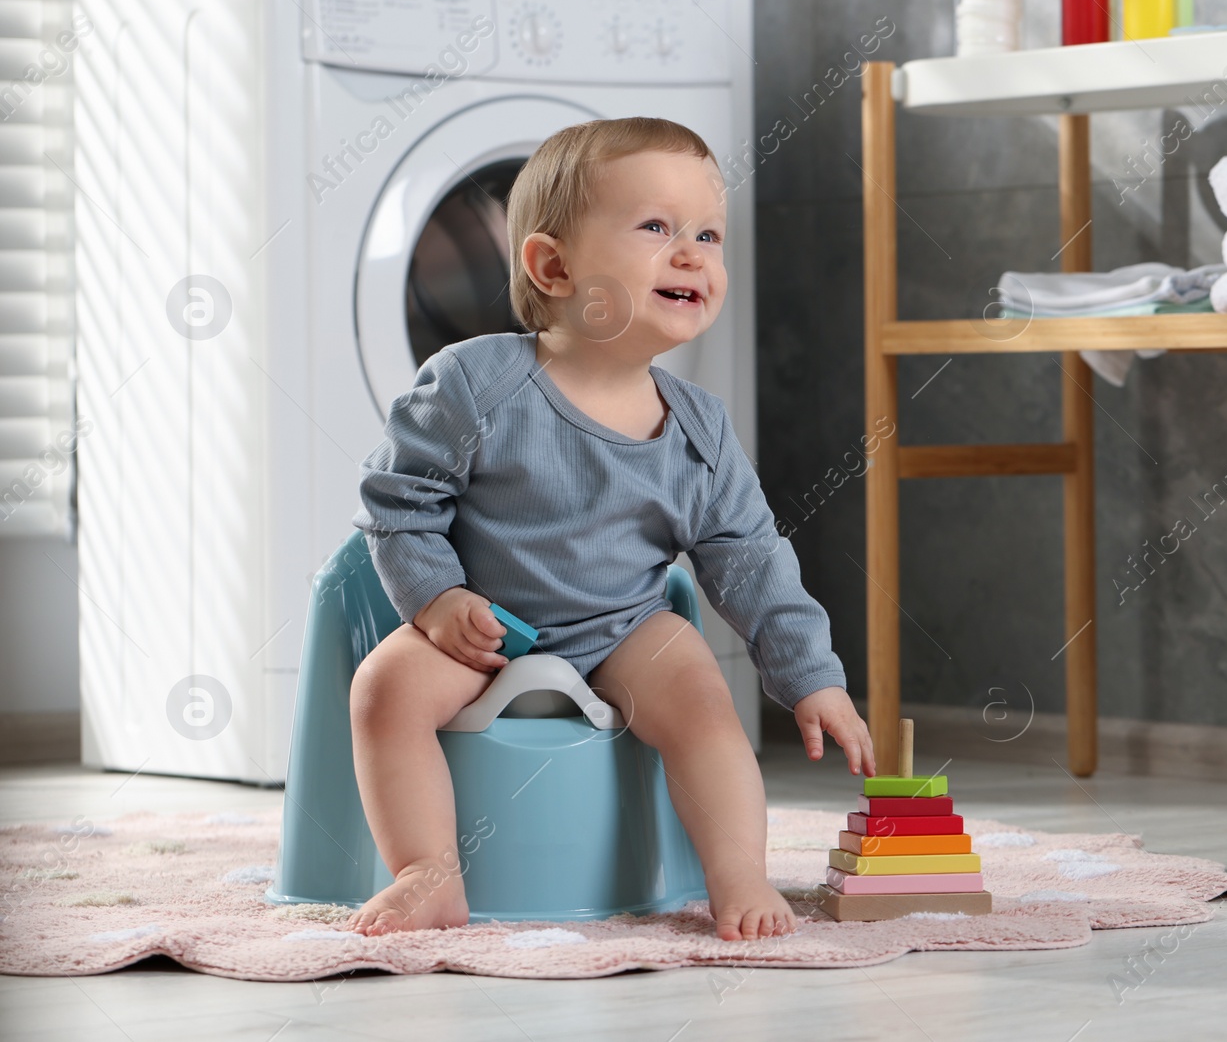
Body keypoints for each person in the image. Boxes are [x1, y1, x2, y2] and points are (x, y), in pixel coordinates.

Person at [344, 117, 875, 943]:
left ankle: (736, 872)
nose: (693, 252)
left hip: (624, 629)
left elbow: (751, 560)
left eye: (708, 233)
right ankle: (428, 870)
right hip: (485, 632)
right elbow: (398, 500)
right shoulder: (476, 383)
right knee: (386, 688)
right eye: (658, 227)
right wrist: (438, 598)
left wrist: (815, 677)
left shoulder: (699, 428)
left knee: (703, 699)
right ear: (554, 266)